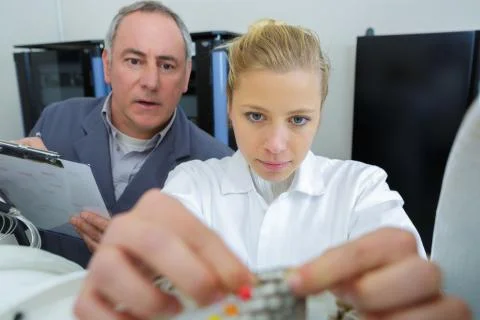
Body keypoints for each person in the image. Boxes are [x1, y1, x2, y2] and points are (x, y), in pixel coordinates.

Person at [74, 20, 471, 319]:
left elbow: (406, 282)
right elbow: (159, 256)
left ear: (319, 114)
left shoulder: (361, 189)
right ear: (230, 108)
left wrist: (405, 294)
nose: (276, 144)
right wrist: (134, 277)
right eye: (256, 116)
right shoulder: (194, 183)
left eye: (298, 120)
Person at [15, 1, 232, 267]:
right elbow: (22, 226)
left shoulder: (218, 166)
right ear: (107, 65)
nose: (151, 82)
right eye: (134, 61)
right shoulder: (57, 120)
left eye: (166, 66)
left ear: (186, 75)